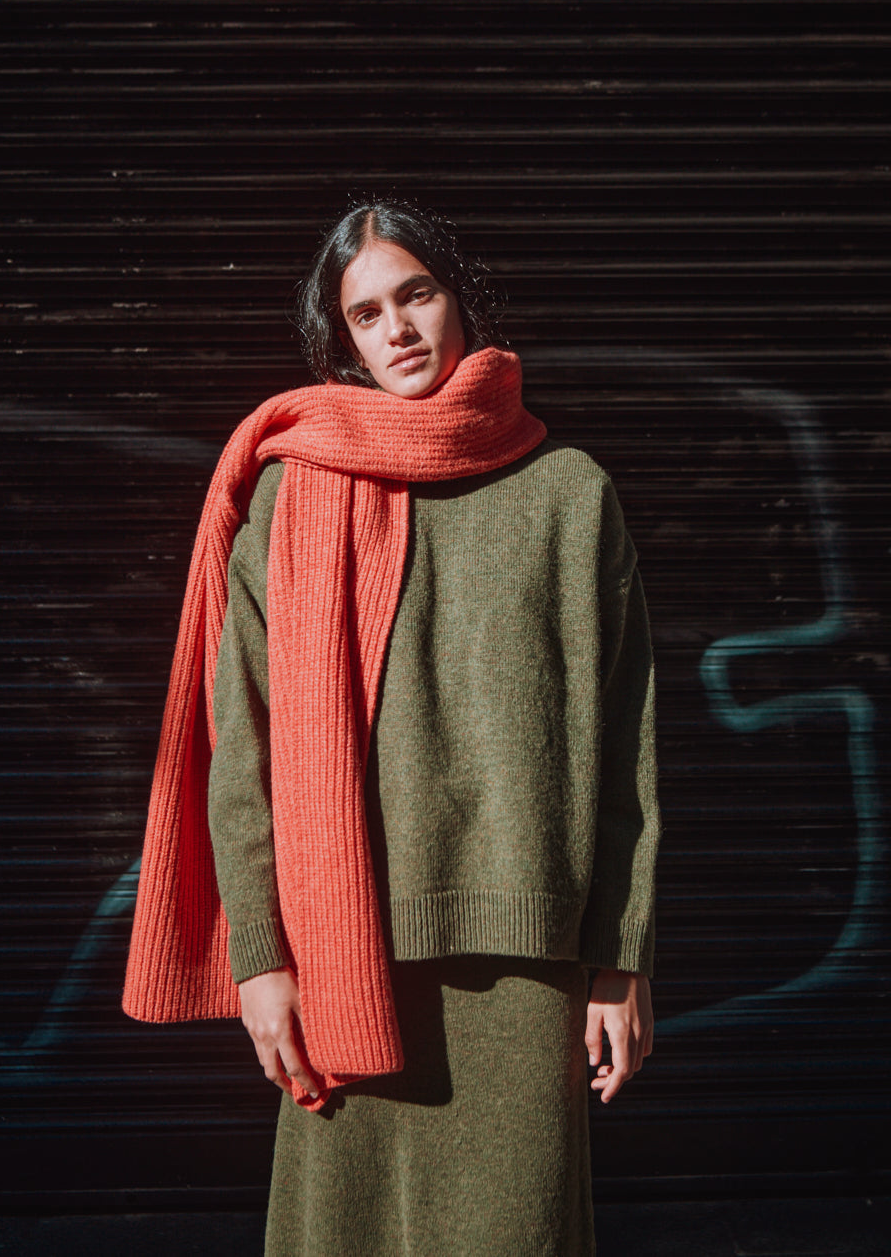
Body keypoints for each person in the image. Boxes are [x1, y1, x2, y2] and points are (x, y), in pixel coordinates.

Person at [123, 199, 659, 1256]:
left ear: (459, 298)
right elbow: (248, 752)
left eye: (415, 293)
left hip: (525, 968)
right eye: (366, 314)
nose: (398, 328)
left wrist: (622, 959)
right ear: (345, 342)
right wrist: (260, 961)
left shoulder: (569, 495)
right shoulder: (292, 497)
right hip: (343, 959)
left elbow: (625, 746)